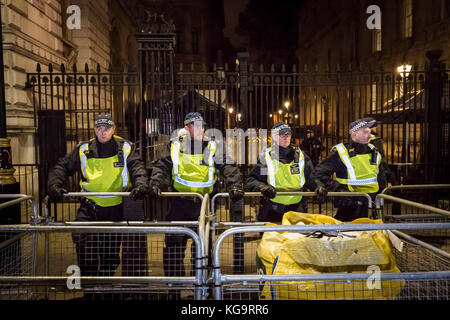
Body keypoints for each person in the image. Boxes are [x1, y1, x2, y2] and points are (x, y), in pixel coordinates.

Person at [47, 114, 148, 277]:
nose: (103, 132)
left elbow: (137, 168)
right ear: (94, 130)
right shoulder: (84, 149)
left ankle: (105, 284)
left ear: (113, 130)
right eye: (99, 128)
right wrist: (54, 184)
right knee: (84, 243)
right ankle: (90, 284)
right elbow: (62, 167)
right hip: (89, 207)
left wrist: (141, 184)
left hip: (115, 208)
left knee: (110, 254)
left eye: (107, 129)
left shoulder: (125, 148)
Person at [149, 112, 244, 281]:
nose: (201, 129)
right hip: (180, 203)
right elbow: (162, 166)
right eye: (197, 126)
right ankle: (175, 286)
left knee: (203, 250)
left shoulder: (212, 146)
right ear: (187, 128)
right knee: (174, 248)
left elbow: (228, 166)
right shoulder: (175, 146)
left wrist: (235, 184)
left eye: (202, 126)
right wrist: (155, 184)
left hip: (204, 205)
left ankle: (201, 286)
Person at [245, 122, 328, 223]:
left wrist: (319, 186)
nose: (285, 137)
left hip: (297, 210)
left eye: (288, 134)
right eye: (281, 135)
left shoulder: (301, 156)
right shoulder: (267, 157)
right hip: (272, 210)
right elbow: (252, 180)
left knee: (298, 239)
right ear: (274, 137)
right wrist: (263, 187)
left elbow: (310, 178)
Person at [315, 117, 387, 222]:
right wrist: (338, 189)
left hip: (371, 205)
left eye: (370, 132)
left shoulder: (374, 151)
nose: (369, 135)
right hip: (349, 205)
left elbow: (380, 176)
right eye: (365, 132)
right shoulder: (340, 152)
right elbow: (319, 173)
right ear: (354, 134)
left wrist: (381, 194)